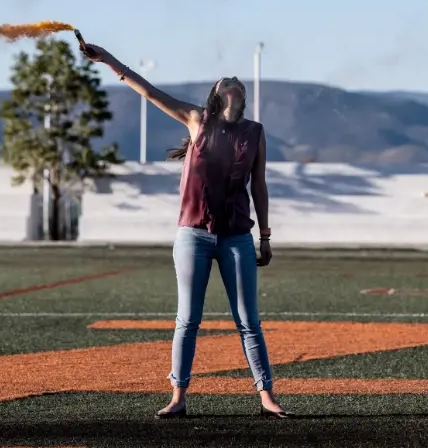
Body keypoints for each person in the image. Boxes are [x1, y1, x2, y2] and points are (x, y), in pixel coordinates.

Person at [79, 40, 292, 420]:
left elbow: (258, 186)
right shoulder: (197, 120)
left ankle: (266, 396)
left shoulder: (255, 133)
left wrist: (266, 237)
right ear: (217, 96)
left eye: (238, 83)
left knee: (248, 321)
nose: (234, 82)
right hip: (193, 234)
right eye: (226, 82)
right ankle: (178, 396)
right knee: (188, 319)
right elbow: (147, 90)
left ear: (241, 97)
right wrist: (107, 58)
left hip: (237, 237)